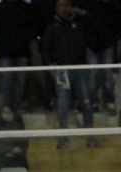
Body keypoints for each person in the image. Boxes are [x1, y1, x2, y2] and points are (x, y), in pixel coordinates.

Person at [42, 0, 95, 149]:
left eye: (66, 5)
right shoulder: (52, 25)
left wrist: (82, 13)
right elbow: (45, 48)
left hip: (80, 68)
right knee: (62, 105)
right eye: (60, 5)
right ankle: (63, 139)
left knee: (86, 103)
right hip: (62, 70)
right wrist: (50, 67)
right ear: (56, 8)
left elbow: (95, 25)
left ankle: (91, 136)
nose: (64, 8)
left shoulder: (80, 22)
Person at [78, 0, 121, 112]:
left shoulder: (111, 5)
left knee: (107, 73)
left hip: (106, 44)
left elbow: (116, 22)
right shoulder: (87, 5)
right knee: (92, 74)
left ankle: (108, 100)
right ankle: (93, 101)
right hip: (91, 44)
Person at [0, 0, 39, 110]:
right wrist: (1, 44)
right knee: (6, 81)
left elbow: (32, 28)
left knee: (19, 82)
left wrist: (25, 41)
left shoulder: (26, 8)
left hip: (21, 52)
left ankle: (15, 109)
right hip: (5, 53)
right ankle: (6, 110)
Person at [0, 102, 29, 172]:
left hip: (16, 159)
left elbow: (24, 142)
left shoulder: (19, 125)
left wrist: (18, 150)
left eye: (10, 112)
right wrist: (10, 150)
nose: (7, 115)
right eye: (5, 112)